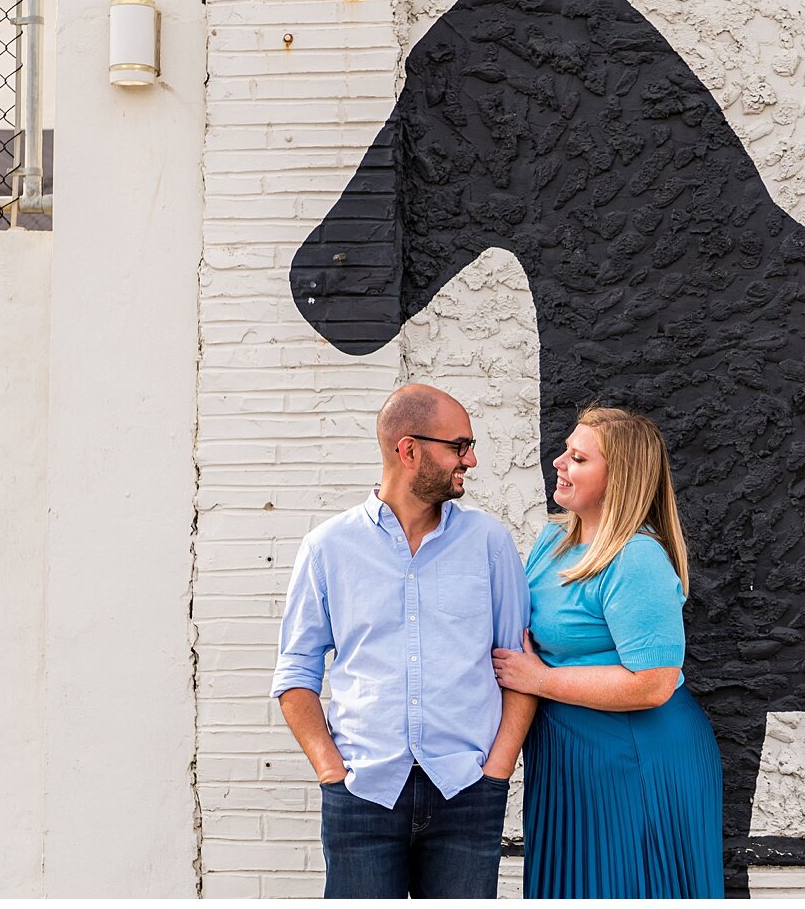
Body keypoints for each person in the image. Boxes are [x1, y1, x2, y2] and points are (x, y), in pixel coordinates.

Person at [271, 384, 535, 898]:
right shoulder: (328, 548)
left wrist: (497, 770)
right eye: (459, 446)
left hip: (467, 791)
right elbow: (295, 674)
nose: (472, 459)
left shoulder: (489, 543)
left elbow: (518, 666)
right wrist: (330, 769)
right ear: (409, 450)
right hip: (363, 795)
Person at [492, 406, 724, 898]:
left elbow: (655, 681)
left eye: (577, 458)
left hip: (637, 761)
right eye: (565, 451)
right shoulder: (555, 537)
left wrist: (539, 680)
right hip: (570, 759)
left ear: (617, 479)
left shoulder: (635, 557)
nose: (559, 462)